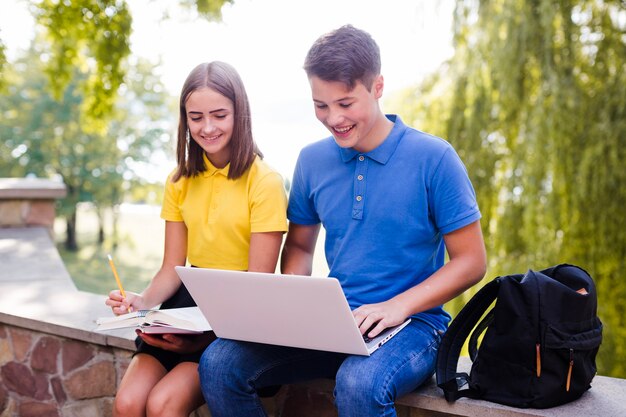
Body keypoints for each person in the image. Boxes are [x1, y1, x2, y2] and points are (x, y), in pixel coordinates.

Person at [199, 25, 487, 417]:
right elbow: (300, 246)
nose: (333, 118)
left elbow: (472, 261)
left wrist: (397, 306)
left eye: (346, 103)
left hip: (416, 326)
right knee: (219, 363)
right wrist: (295, 305)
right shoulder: (312, 161)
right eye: (321, 105)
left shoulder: (434, 158)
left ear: (378, 86)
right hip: (335, 324)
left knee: (358, 384)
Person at [105, 61, 288, 417]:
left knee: (162, 405)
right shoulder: (178, 180)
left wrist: (202, 337)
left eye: (219, 115)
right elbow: (172, 267)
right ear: (184, 120)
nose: (207, 127)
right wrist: (140, 302)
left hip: (234, 319)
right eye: (196, 117)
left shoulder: (265, 182)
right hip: (183, 309)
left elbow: (256, 285)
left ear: (240, 113)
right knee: (127, 404)